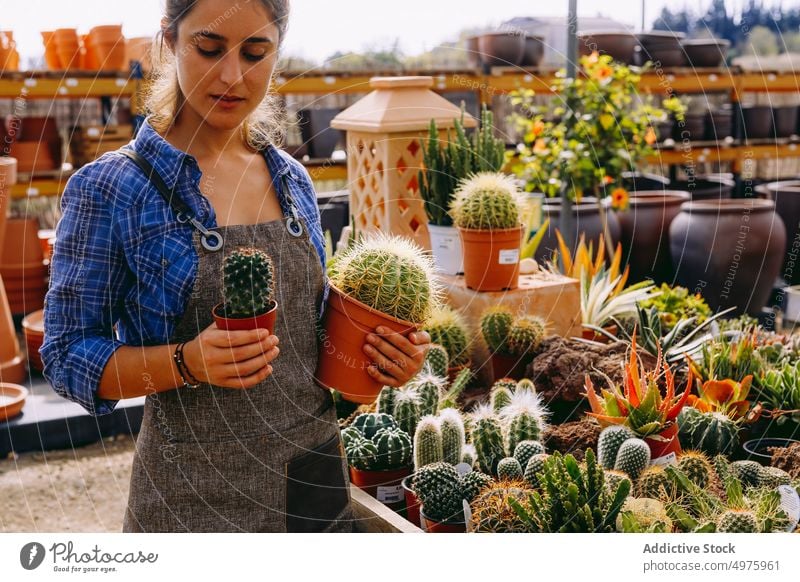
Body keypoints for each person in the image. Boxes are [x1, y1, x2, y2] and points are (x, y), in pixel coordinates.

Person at [40, 0, 431, 533]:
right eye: (208, 48)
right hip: (193, 503)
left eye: (255, 52)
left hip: (316, 484)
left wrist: (381, 359)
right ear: (168, 42)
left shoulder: (293, 180)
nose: (232, 75)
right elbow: (66, 356)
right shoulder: (112, 188)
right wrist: (185, 362)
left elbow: (308, 341)